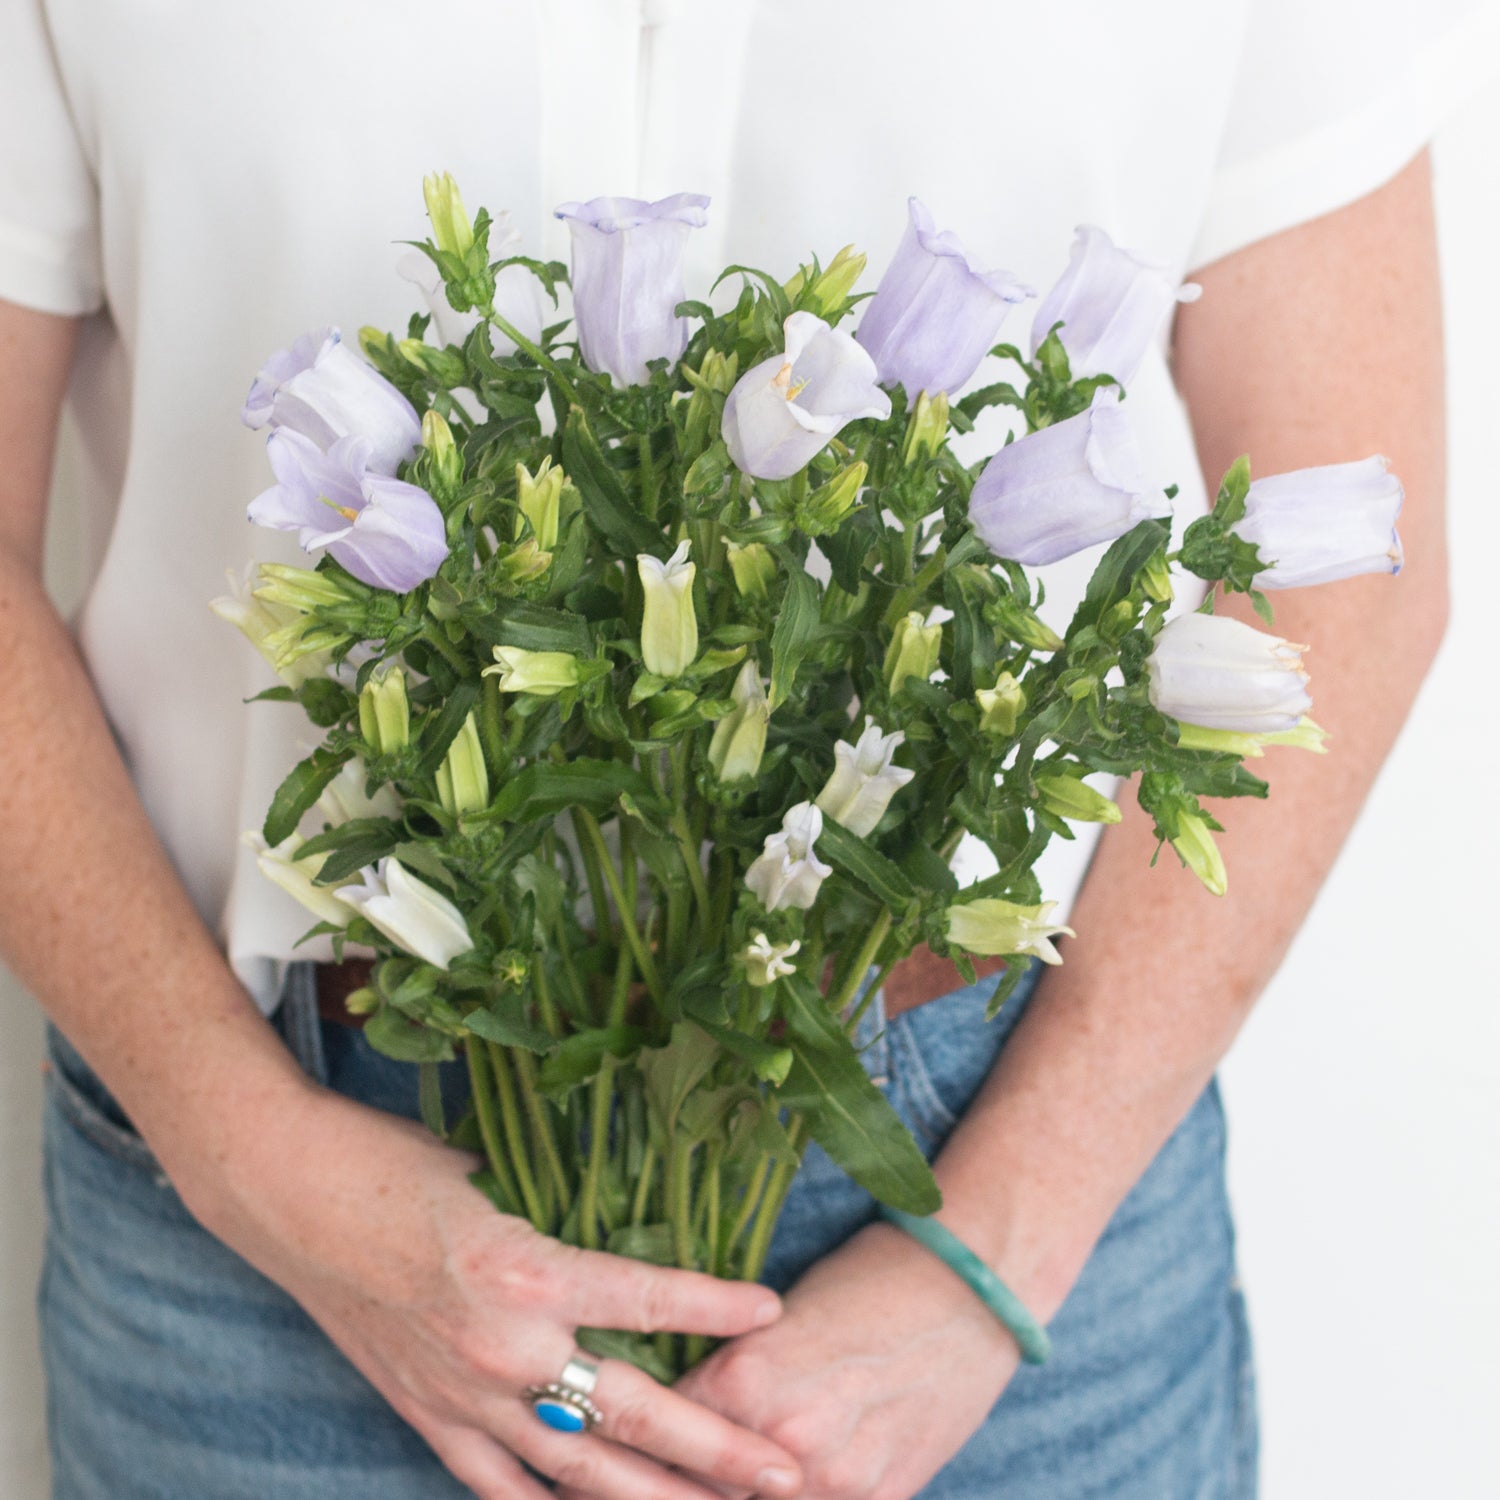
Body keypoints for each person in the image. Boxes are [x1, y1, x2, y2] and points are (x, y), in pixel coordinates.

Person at [0, 2, 1488, 1496]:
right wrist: (244, 1153)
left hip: (1006, 1176)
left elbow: (1345, 550)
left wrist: (998, 1242)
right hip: (268, 1210)